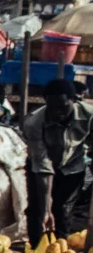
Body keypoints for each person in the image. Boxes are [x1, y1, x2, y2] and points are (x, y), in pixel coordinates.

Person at [23, 75, 93, 235]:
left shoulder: (89, 116)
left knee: (63, 210)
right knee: (38, 210)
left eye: (63, 106)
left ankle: (60, 246)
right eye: (52, 107)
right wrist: (46, 209)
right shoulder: (34, 123)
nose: (57, 112)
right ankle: (36, 249)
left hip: (73, 166)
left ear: (73, 101)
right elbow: (42, 165)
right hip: (40, 166)